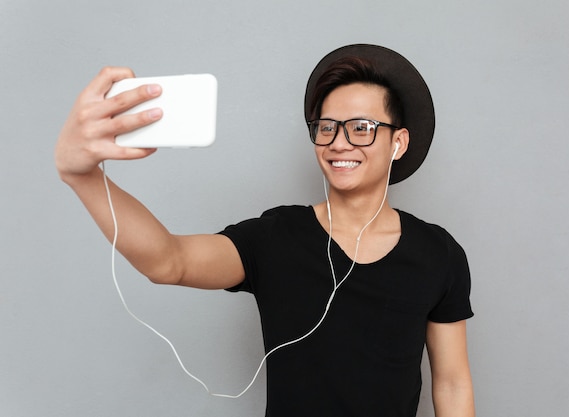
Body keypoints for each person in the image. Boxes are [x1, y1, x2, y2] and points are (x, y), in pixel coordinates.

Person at [55, 44, 475, 417]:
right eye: (326, 126)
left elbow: (452, 383)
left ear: (398, 143)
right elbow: (169, 261)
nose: (339, 142)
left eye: (361, 128)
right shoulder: (278, 236)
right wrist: (84, 176)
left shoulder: (438, 253)